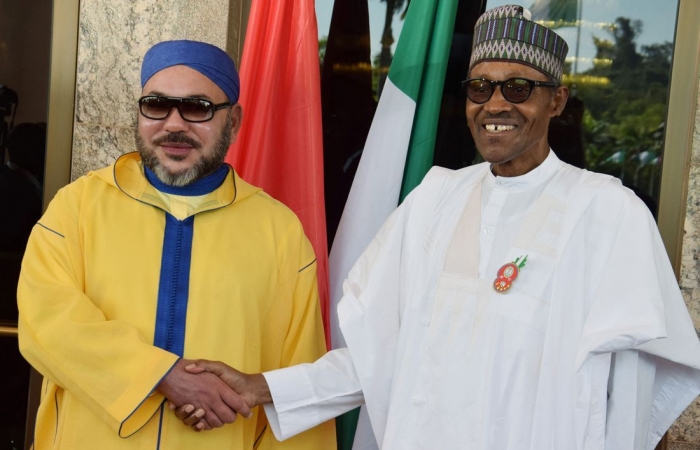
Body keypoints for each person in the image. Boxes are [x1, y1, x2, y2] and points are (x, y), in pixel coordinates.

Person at [175, 6, 700, 450]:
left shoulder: (609, 213)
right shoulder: (434, 200)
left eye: (519, 88)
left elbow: (636, 390)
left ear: (556, 101)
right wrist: (258, 388)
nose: (496, 104)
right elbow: (377, 356)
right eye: (480, 88)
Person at [17, 39, 335, 449]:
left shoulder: (279, 232)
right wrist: (160, 375)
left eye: (197, 108)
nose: (174, 124)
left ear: (234, 121)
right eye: (156, 105)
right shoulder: (77, 207)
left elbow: (296, 381)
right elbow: (47, 323)